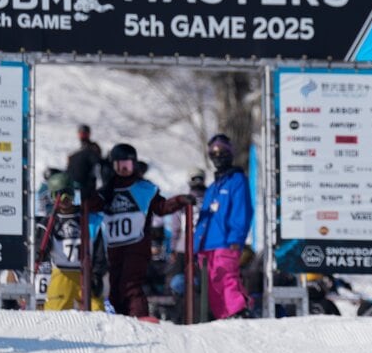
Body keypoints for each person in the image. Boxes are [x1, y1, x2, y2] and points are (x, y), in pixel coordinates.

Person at [90, 142, 192, 318]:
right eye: (120, 166)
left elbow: (161, 207)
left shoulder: (143, 188)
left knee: (130, 285)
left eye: (128, 166)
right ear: (112, 166)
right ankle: (123, 320)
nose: (124, 170)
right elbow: (91, 206)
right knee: (115, 288)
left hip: (136, 246)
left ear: (134, 165)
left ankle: (140, 317)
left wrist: (179, 200)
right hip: (114, 248)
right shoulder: (107, 191)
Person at [193, 134, 253, 319]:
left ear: (230, 153)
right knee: (212, 283)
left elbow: (242, 211)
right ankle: (223, 317)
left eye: (222, 151)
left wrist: (236, 238)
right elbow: (203, 220)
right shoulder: (212, 188)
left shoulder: (237, 180)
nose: (218, 156)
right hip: (207, 245)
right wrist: (195, 246)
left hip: (225, 241)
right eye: (214, 152)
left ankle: (238, 311)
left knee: (226, 277)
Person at [38, 171, 105, 310]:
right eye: (59, 194)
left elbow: (100, 253)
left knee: (98, 311)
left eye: (67, 193)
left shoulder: (90, 220)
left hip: (86, 273)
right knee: (55, 314)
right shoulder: (49, 222)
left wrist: (97, 275)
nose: (64, 198)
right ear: (52, 196)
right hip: (62, 273)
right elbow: (41, 252)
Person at [66, 124, 104, 193]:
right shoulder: (79, 148)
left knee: (84, 200)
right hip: (76, 182)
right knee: (76, 200)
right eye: (81, 134)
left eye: (85, 134)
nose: (83, 136)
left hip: (88, 182)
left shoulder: (93, 147)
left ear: (89, 134)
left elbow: (97, 162)